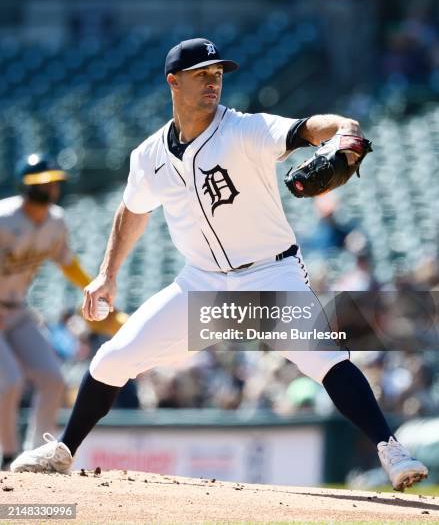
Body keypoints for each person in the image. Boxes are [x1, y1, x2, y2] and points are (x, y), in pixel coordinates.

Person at [10, 38, 428, 491]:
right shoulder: (149, 156)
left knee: (322, 358)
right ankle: (64, 450)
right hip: (201, 284)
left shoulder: (244, 130)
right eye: (202, 74)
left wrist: (344, 127)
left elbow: (308, 128)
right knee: (113, 358)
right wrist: (108, 274)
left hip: (269, 273)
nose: (214, 81)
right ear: (173, 81)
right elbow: (131, 209)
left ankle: (391, 448)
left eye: (218, 73)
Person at [0, 155, 95, 470]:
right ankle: (8, 455)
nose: (51, 188)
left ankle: (32, 459)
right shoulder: (3, 217)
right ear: (26, 186)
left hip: (16, 308)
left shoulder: (56, 220)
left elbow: (67, 261)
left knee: (53, 378)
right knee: (9, 380)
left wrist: (91, 287)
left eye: (53, 182)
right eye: (44, 183)